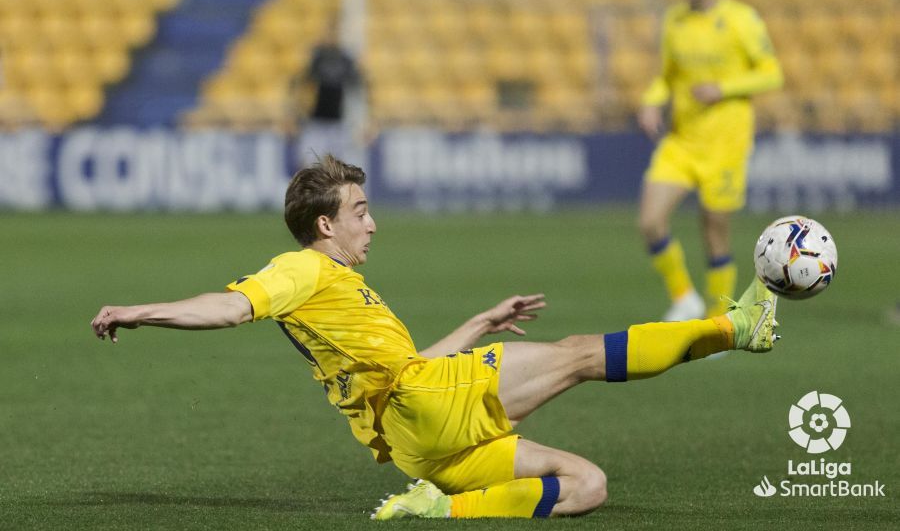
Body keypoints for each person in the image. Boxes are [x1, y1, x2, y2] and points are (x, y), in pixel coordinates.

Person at [91, 155, 779, 520]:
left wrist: (480, 323)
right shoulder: (301, 268)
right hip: (423, 405)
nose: (372, 223)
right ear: (325, 225)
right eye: (360, 211)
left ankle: (441, 509)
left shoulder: (336, 288)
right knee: (578, 355)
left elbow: (408, 366)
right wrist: (138, 310)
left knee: (587, 486)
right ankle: (737, 326)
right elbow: (230, 307)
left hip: (420, 443)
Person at [637, 0, 783, 321]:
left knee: (714, 231)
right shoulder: (675, 21)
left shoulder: (742, 19)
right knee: (650, 221)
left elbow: (771, 73)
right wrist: (652, 101)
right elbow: (666, 77)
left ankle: (720, 322)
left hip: (725, 145)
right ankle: (684, 298)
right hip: (682, 142)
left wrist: (723, 89)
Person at [288, 21, 363, 167]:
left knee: (340, 170)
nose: (332, 36)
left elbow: (359, 89)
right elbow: (300, 85)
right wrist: (294, 114)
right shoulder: (318, 57)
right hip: (315, 122)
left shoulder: (346, 60)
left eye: (336, 32)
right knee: (308, 166)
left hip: (339, 124)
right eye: (330, 32)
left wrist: (363, 123)